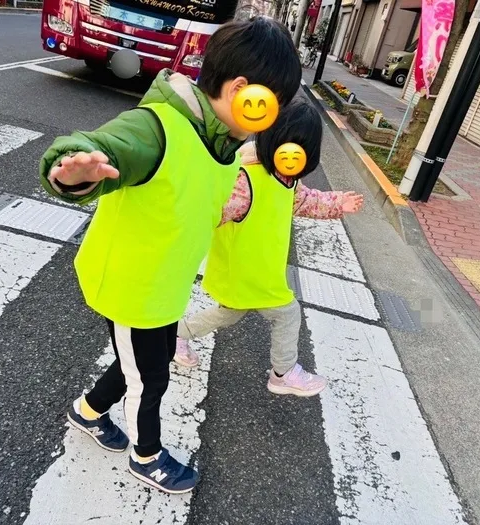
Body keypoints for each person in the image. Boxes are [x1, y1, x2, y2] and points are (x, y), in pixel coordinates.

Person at [38, 17, 301, 495]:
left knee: (137, 362)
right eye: (271, 106)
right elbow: (101, 149)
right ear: (241, 89)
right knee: (151, 376)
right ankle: (147, 455)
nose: (273, 120)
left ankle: (88, 412)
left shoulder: (221, 144)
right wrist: (74, 168)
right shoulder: (157, 126)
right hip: (131, 286)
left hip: (163, 287)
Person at [173, 100, 364, 397]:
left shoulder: (287, 180)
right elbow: (210, 210)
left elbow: (305, 201)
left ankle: (176, 333)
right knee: (287, 313)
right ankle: (283, 372)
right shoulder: (246, 179)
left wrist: (338, 203)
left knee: (228, 314)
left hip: (257, 270)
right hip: (245, 271)